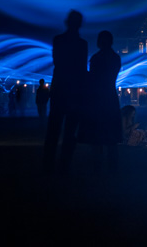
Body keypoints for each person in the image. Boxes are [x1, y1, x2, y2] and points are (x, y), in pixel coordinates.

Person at [43, 10, 88, 175]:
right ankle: (64, 165)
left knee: (54, 128)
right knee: (70, 131)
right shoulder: (82, 44)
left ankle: (48, 165)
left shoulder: (58, 40)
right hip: (74, 91)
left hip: (60, 88)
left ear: (66, 22)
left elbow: (58, 63)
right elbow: (82, 69)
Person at [78, 31, 122, 172]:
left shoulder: (96, 58)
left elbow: (92, 79)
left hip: (97, 98)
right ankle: (112, 166)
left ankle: (96, 166)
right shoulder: (116, 57)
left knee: (97, 134)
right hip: (110, 96)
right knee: (111, 136)